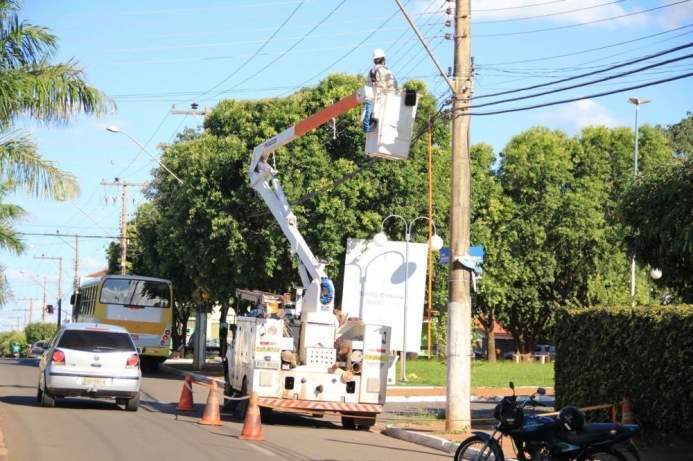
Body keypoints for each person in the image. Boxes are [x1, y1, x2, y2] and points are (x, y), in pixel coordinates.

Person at [364, 48, 398, 132]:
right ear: (383, 59)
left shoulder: (371, 72)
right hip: (384, 100)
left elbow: (368, 87)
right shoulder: (384, 70)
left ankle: (371, 124)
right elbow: (393, 85)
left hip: (373, 102)